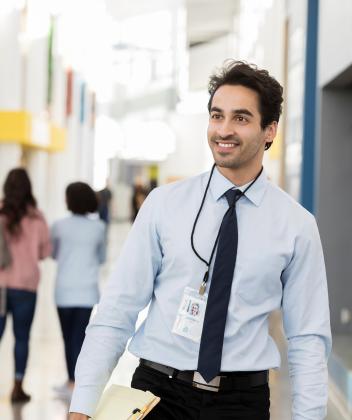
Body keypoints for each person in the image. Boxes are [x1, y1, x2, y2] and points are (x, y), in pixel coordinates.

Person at [69, 61, 331, 420]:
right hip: (156, 395)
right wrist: (82, 404)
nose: (223, 129)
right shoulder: (164, 205)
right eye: (216, 115)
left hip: (241, 403)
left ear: (270, 131)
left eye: (240, 118)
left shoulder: (297, 225)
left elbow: (308, 339)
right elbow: (117, 310)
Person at [0, 168, 52, 403]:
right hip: (26, 288)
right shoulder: (37, 218)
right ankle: (17, 388)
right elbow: (45, 252)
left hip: (0, 285)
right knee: (22, 338)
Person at [51, 182, 106, 399]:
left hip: (64, 290)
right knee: (80, 338)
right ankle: (79, 383)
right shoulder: (99, 227)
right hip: (87, 291)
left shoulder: (59, 225)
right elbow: (101, 258)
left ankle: (71, 381)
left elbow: (54, 254)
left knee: (67, 337)